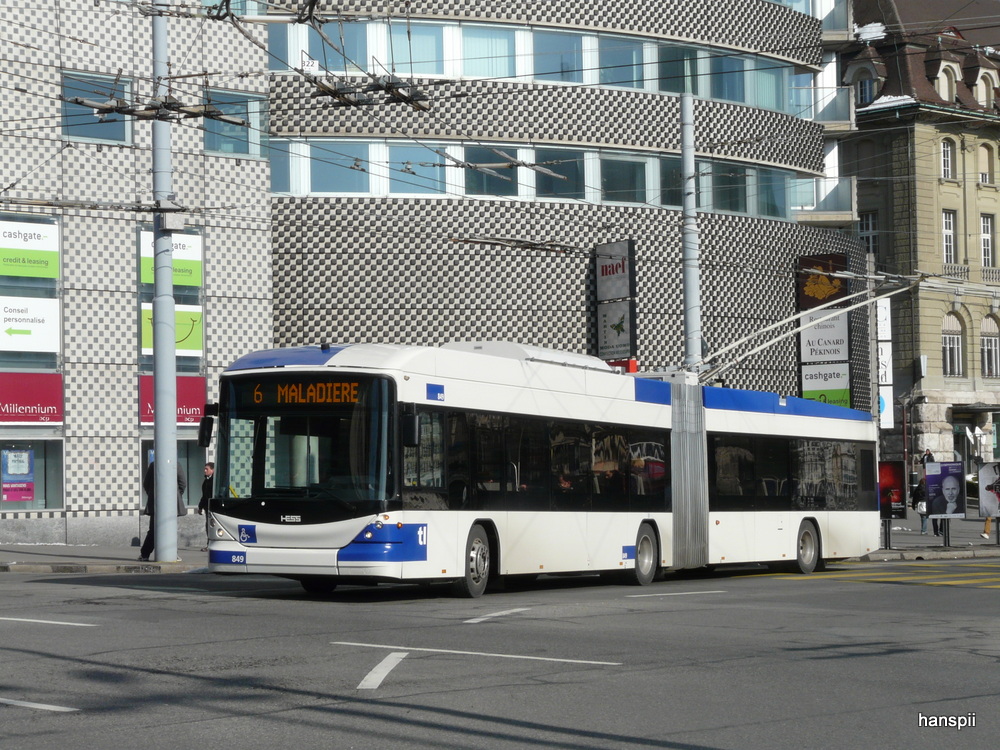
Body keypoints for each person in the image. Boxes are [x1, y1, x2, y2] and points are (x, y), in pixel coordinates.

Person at [139, 461, 188, 561]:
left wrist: (153, 495)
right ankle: (173, 553)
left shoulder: (154, 465)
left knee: (153, 530)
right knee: (170, 529)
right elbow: (182, 483)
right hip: (171, 504)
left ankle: (145, 554)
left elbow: (146, 484)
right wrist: (176, 496)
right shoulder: (176, 464)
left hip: (156, 503)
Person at [196, 462, 214, 551]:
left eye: (207, 469)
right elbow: (204, 495)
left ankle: (211, 544)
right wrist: (200, 507)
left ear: (212, 470)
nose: (205, 471)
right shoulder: (206, 480)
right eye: (205, 469)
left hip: (214, 507)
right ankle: (209, 544)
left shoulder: (215, 481)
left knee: (212, 526)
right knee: (208, 525)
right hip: (207, 506)